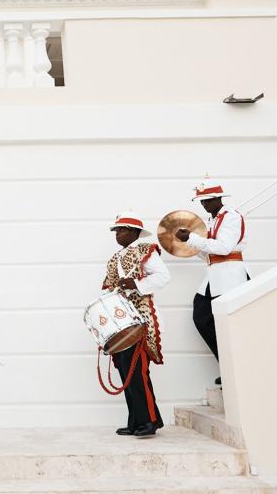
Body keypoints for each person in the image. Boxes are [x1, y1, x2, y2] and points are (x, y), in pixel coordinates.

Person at [104, 211, 169, 438]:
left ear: (133, 232)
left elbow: (163, 277)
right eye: (115, 231)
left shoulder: (145, 251)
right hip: (122, 322)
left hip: (140, 319)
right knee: (126, 370)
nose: (117, 234)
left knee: (137, 370)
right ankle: (136, 421)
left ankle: (149, 421)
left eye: (121, 230)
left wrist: (137, 284)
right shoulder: (115, 259)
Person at [175, 180, 247, 385]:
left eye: (206, 200)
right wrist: (188, 242)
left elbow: (224, 248)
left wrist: (193, 239)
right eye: (201, 201)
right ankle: (227, 366)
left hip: (231, 276)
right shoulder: (213, 220)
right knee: (202, 317)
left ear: (218, 198)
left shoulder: (232, 217)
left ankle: (235, 370)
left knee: (227, 324)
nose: (203, 205)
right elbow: (208, 252)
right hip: (214, 274)